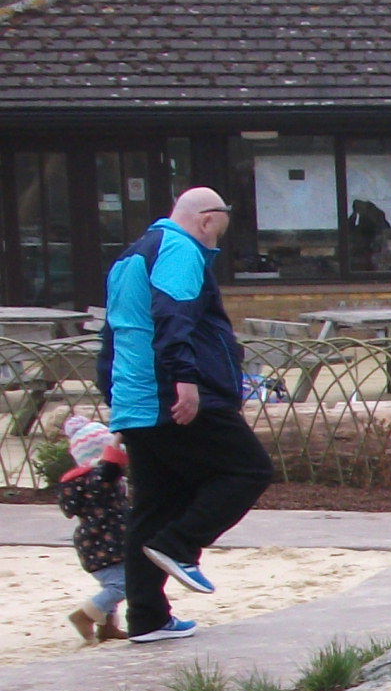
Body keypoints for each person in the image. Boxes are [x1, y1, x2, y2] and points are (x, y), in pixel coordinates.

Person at [99, 186, 270, 643]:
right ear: (207, 221)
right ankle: (179, 547)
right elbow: (173, 316)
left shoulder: (131, 256)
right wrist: (186, 380)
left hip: (136, 401)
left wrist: (118, 405)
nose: (215, 247)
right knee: (249, 470)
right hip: (175, 397)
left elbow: (113, 337)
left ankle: (148, 618)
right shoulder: (179, 248)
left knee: (154, 505)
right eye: (218, 236)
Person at [55, 415, 129, 644]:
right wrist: (119, 436)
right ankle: (84, 615)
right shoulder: (99, 478)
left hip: (92, 543)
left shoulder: (75, 481)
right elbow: (111, 466)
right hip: (108, 541)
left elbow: (69, 509)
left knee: (112, 583)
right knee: (122, 585)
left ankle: (107, 627)